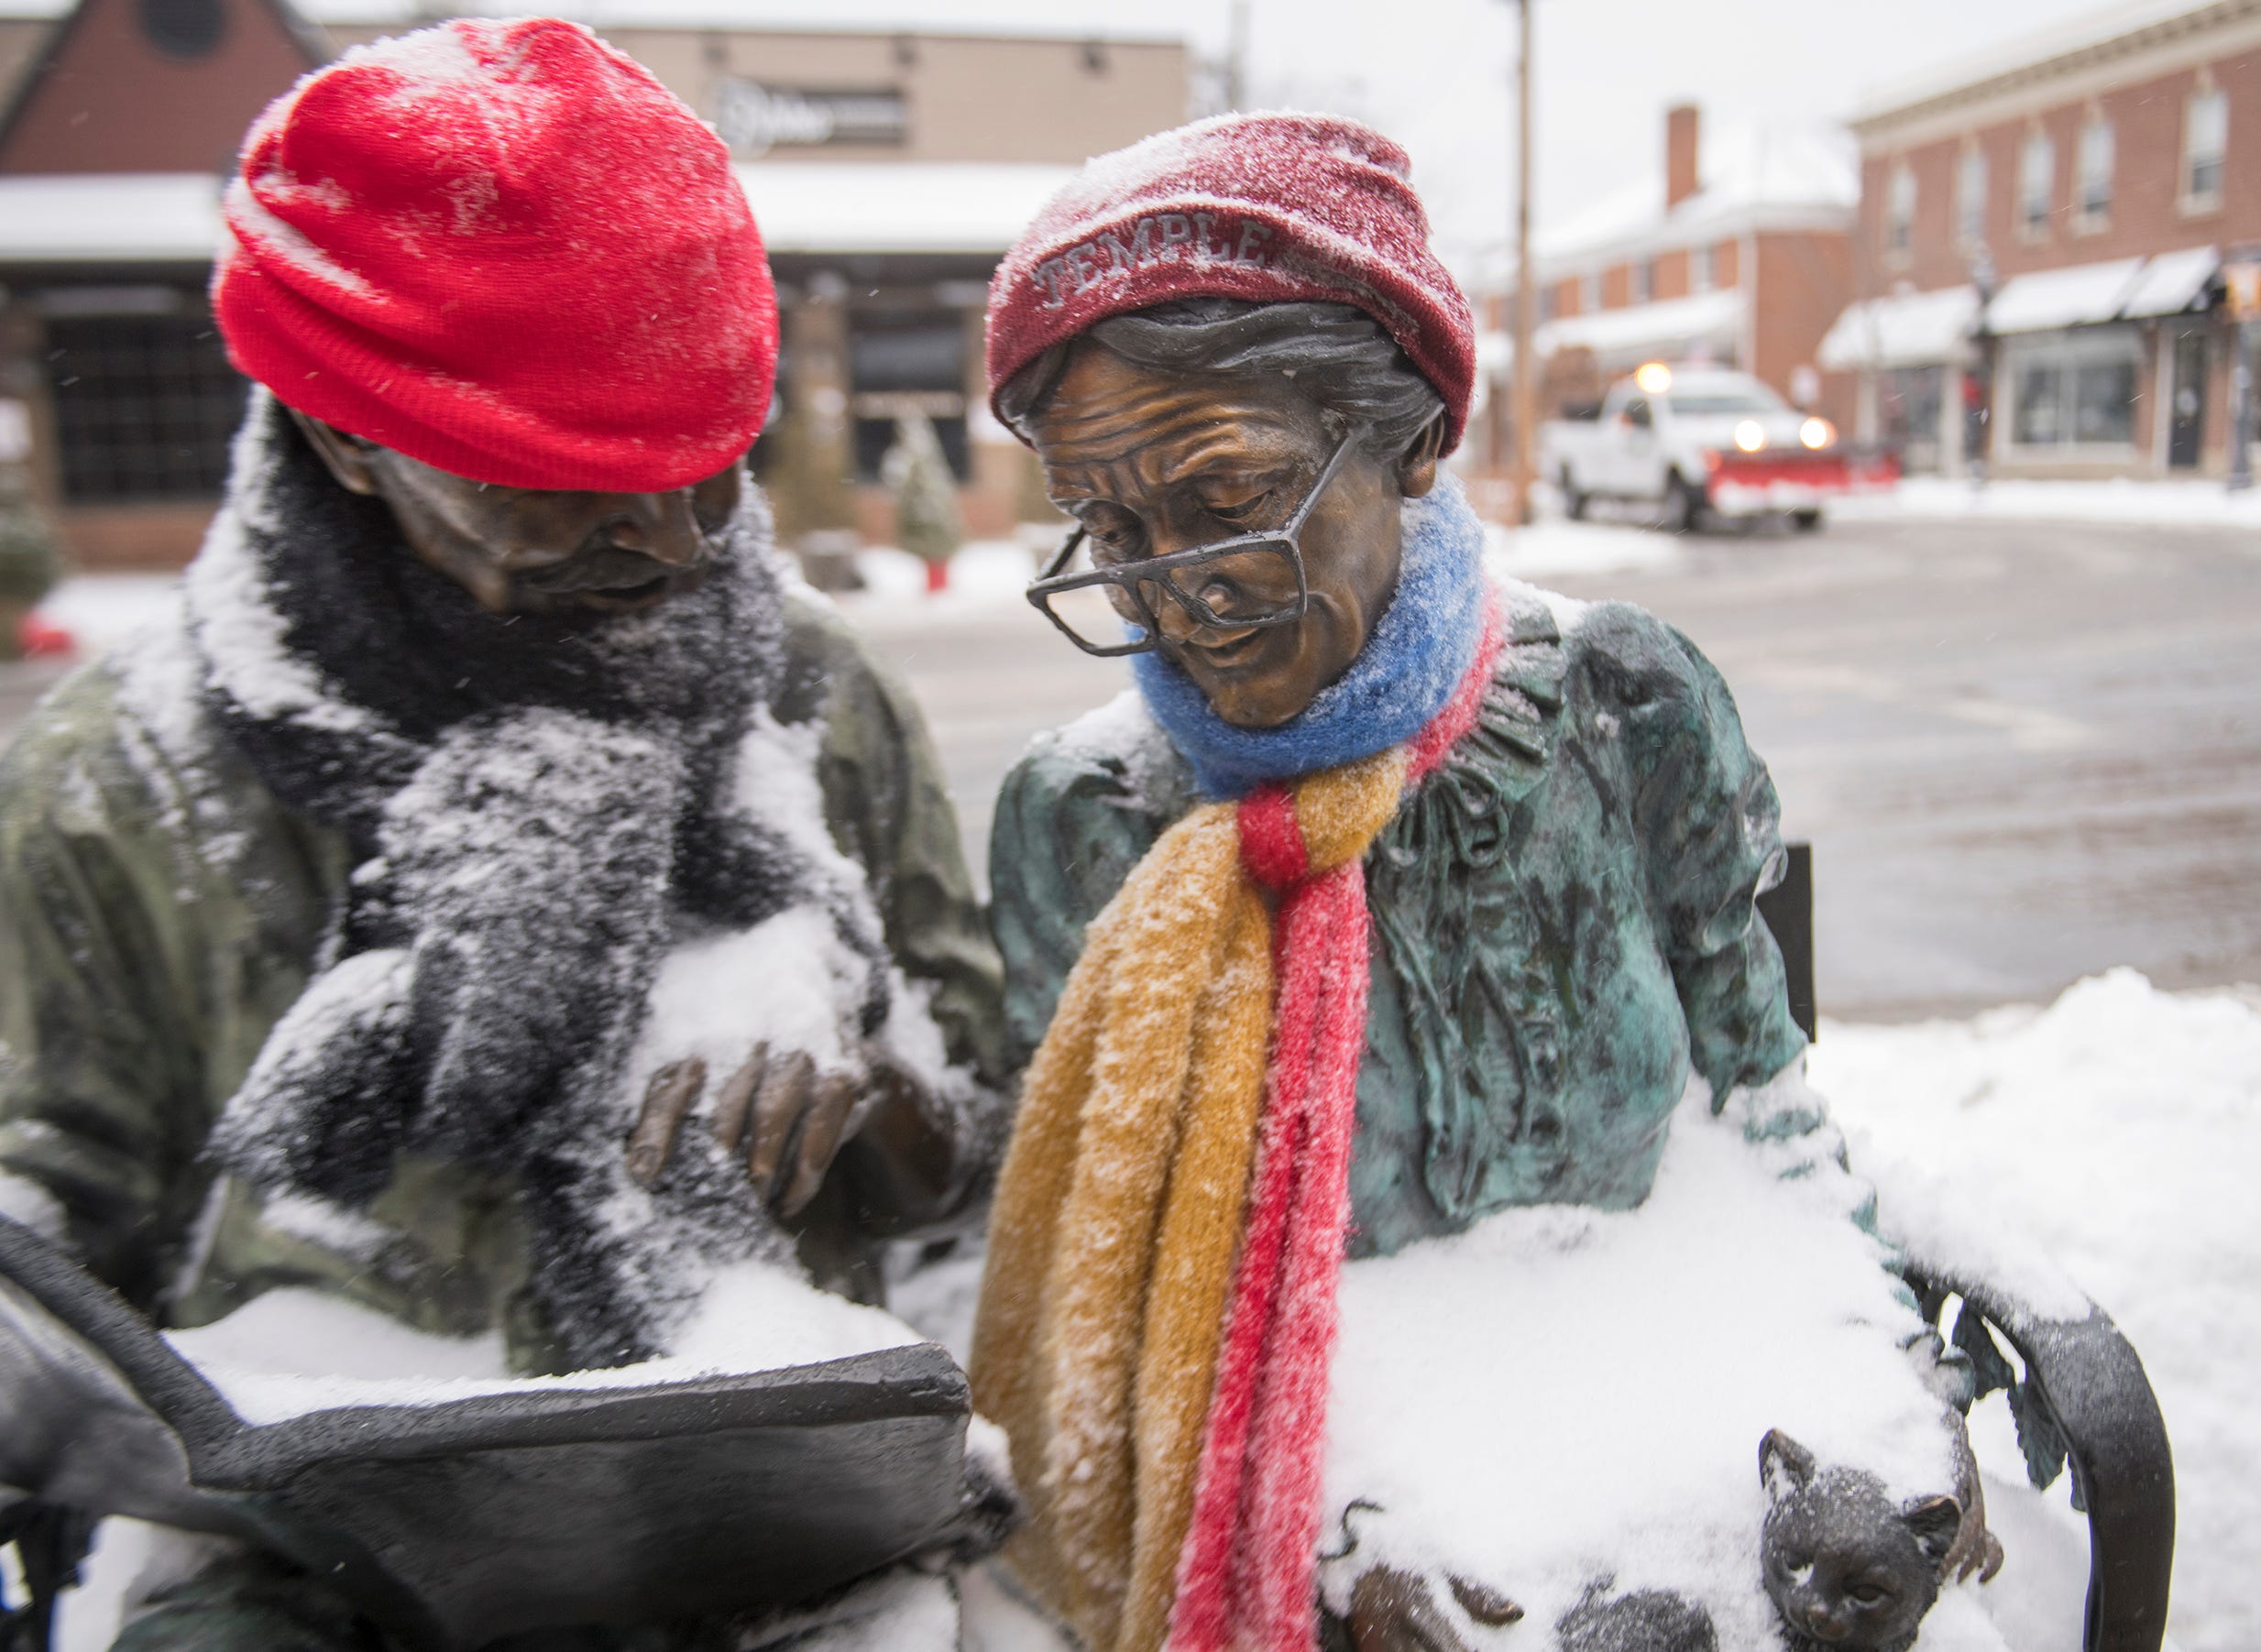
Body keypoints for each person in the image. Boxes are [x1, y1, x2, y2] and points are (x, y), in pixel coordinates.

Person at [0, 18, 1004, 1647]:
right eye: (570, 486)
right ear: (344, 438)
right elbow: (51, 1260)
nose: (673, 544)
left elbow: (977, 1147)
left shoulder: (818, 698)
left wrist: (872, 1072)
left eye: (707, 465)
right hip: (304, 1585)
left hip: (783, 1558)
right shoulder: (131, 782)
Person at [967, 114, 1835, 1652]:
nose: (1174, 586)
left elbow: (1776, 1127)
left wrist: (1865, 1416)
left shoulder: (1622, 706)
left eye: (1231, 496)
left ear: (1415, 442)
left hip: (1679, 1461)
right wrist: (1341, 1531)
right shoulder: (1087, 827)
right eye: (1112, 527)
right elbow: (1095, 1313)